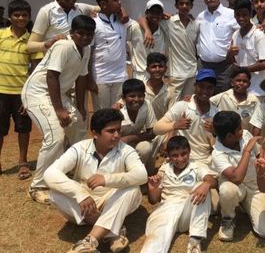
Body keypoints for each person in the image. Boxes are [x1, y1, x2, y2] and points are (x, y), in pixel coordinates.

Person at [44, 108, 147, 253]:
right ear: (95, 133)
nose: (117, 135)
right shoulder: (80, 148)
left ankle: (89, 241)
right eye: (111, 131)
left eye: (118, 130)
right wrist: (79, 193)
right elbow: (50, 173)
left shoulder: (125, 150)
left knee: (132, 190)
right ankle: (113, 232)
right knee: (54, 192)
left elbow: (141, 175)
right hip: (85, 205)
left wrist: (107, 179)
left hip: (112, 201)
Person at [22, 15, 95, 204]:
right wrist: (60, 110)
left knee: (79, 126)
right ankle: (37, 186)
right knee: (56, 136)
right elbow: (52, 77)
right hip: (38, 93)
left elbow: (81, 79)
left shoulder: (85, 49)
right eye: (81, 33)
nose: (85, 37)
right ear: (72, 33)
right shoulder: (64, 46)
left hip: (57, 93)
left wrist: (80, 105)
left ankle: (74, 172)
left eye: (89, 34)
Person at [141, 136, 217, 253]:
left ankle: (195, 240)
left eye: (183, 154)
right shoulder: (164, 169)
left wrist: (206, 185)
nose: (180, 159)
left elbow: (212, 180)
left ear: (189, 151)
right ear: (168, 156)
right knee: (154, 242)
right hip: (166, 211)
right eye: (175, 155)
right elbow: (153, 200)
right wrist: (152, 188)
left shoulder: (197, 165)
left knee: (202, 185)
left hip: (188, 214)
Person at [212, 111, 265, 241]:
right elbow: (236, 178)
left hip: (255, 187)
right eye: (239, 129)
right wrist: (246, 151)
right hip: (236, 187)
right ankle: (228, 218)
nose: (243, 130)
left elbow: (259, 154)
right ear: (229, 136)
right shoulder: (217, 153)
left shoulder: (245, 135)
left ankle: (246, 206)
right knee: (226, 190)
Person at [0, 0, 35, 180]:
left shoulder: (31, 40)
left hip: (21, 92)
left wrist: (28, 95)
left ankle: (23, 162)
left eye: (24, 15)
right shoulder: (0, 35)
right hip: (1, 91)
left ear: (29, 17)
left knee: (23, 128)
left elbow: (35, 69)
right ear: (10, 17)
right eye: (16, 15)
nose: (20, 18)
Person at [154, 69, 219, 165]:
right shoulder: (182, 106)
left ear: (214, 89)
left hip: (204, 160)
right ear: (195, 86)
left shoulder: (217, 113)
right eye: (201, 86)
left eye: (209, 87)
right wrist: (175, 125)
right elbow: (156, 129)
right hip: (179, 157)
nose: (205, 91)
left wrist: (215, 132)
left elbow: (220, 143)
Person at [26, 0, 99, 59]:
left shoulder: (81, 8)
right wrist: (48, 43)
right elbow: (30, 46)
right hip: (53, 64)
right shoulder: (46, 11)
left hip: (75, 65)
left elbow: (101, 8)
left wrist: (96, 14)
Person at [89, 0, 134, 110]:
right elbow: (89, 54)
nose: (120, 3)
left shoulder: (123, 21)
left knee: (119, 115)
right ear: (103, 4)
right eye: (115, 0)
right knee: (102, 116)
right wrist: (90, 79)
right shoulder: (93, 23)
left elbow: (143, 20)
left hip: (120, 76)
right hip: (100, 78)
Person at [196, 0, 239, 94]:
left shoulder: (230, 14)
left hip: (224, 67)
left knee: (223, 96)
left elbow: (241, 32)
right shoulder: (200, 16)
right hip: (204, 66)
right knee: (204, 96)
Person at [227, 0, 265, 98]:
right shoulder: (235, 34)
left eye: (244, 15)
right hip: (240, 89)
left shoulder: (258, 35)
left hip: (257, 89)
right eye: (238, 15)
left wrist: (243, 70)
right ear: (234, 15)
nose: (241, 18)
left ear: (251, 14)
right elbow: (230, 61)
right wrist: (229, 54)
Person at [164, 0, 199, 105]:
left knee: (188, 105)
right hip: (175, 74)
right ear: (176, 5)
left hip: (192, 72)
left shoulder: (195, 24)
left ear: (191, 5)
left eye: (187, 3)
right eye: (181, 3)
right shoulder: (168, 22)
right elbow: (145, 17)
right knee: (173, 107)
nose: (184, 6)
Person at [119, 78, 161, 174]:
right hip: (119, 147)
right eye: (132, 96)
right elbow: (114, 140)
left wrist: (129, 138)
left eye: (140, 96)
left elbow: (152, 133)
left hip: (134, 141)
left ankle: (145, 173)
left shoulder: (146, 104)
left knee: (146, 146)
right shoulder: (119, 112)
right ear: (123, 98)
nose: (136, 99)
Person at [210, 67, 260, 132]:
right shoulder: (222, 96)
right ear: (232, 82)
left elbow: (258, 122)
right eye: (238, 80)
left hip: (245, 138)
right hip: (225, 138)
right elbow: (208, 102)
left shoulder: (254, 100)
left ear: (249, 84)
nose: (241, 83)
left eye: (245, 81)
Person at [129, 0, 168, 81]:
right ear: (146, 13)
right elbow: (140, 18)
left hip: (157, 75)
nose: (155, 15)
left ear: (162, 15)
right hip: (140, 75)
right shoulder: (136, 28)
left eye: (158, 12)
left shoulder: (163, 28)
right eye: (152, 12)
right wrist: (147, 30)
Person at [145, 52, 173, 120]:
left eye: (160, 66)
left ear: (166, 69)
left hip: (163, 128)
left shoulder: (171, 91)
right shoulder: (139, 89)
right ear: (147, 69)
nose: (157, 70)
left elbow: (172, 116)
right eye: (153, 67)